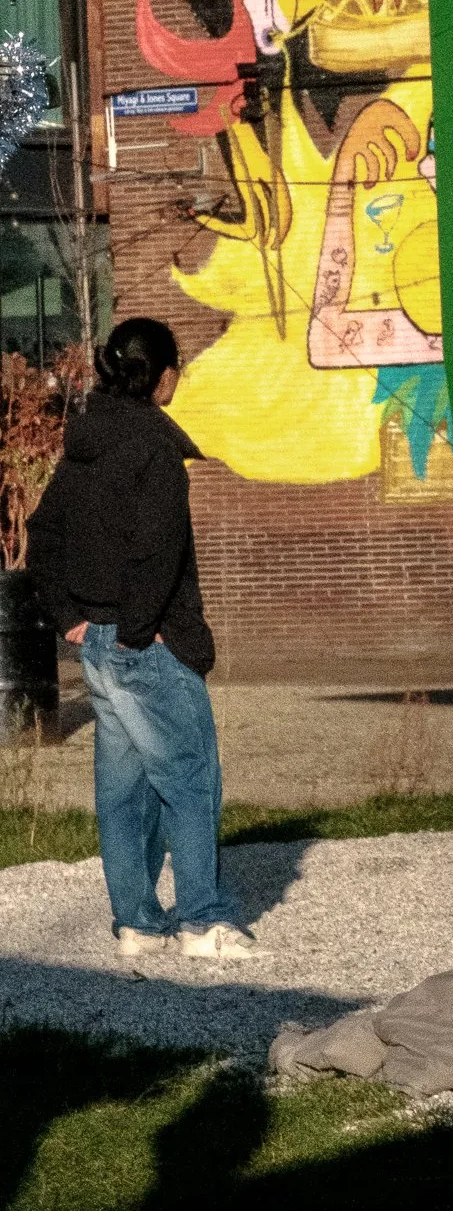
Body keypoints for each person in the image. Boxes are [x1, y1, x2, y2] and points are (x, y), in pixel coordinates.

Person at [26, 318, 249, 966]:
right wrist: (134, 631)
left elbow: (44, 536)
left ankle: (138, 925)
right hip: (144, 644)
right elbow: (158, 552)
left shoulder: (85, 444)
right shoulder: (155, 447)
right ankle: (203, 922)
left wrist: (72, 618)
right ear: (165, 375)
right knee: (190, 778)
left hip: (95, 644)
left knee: (122, 789)